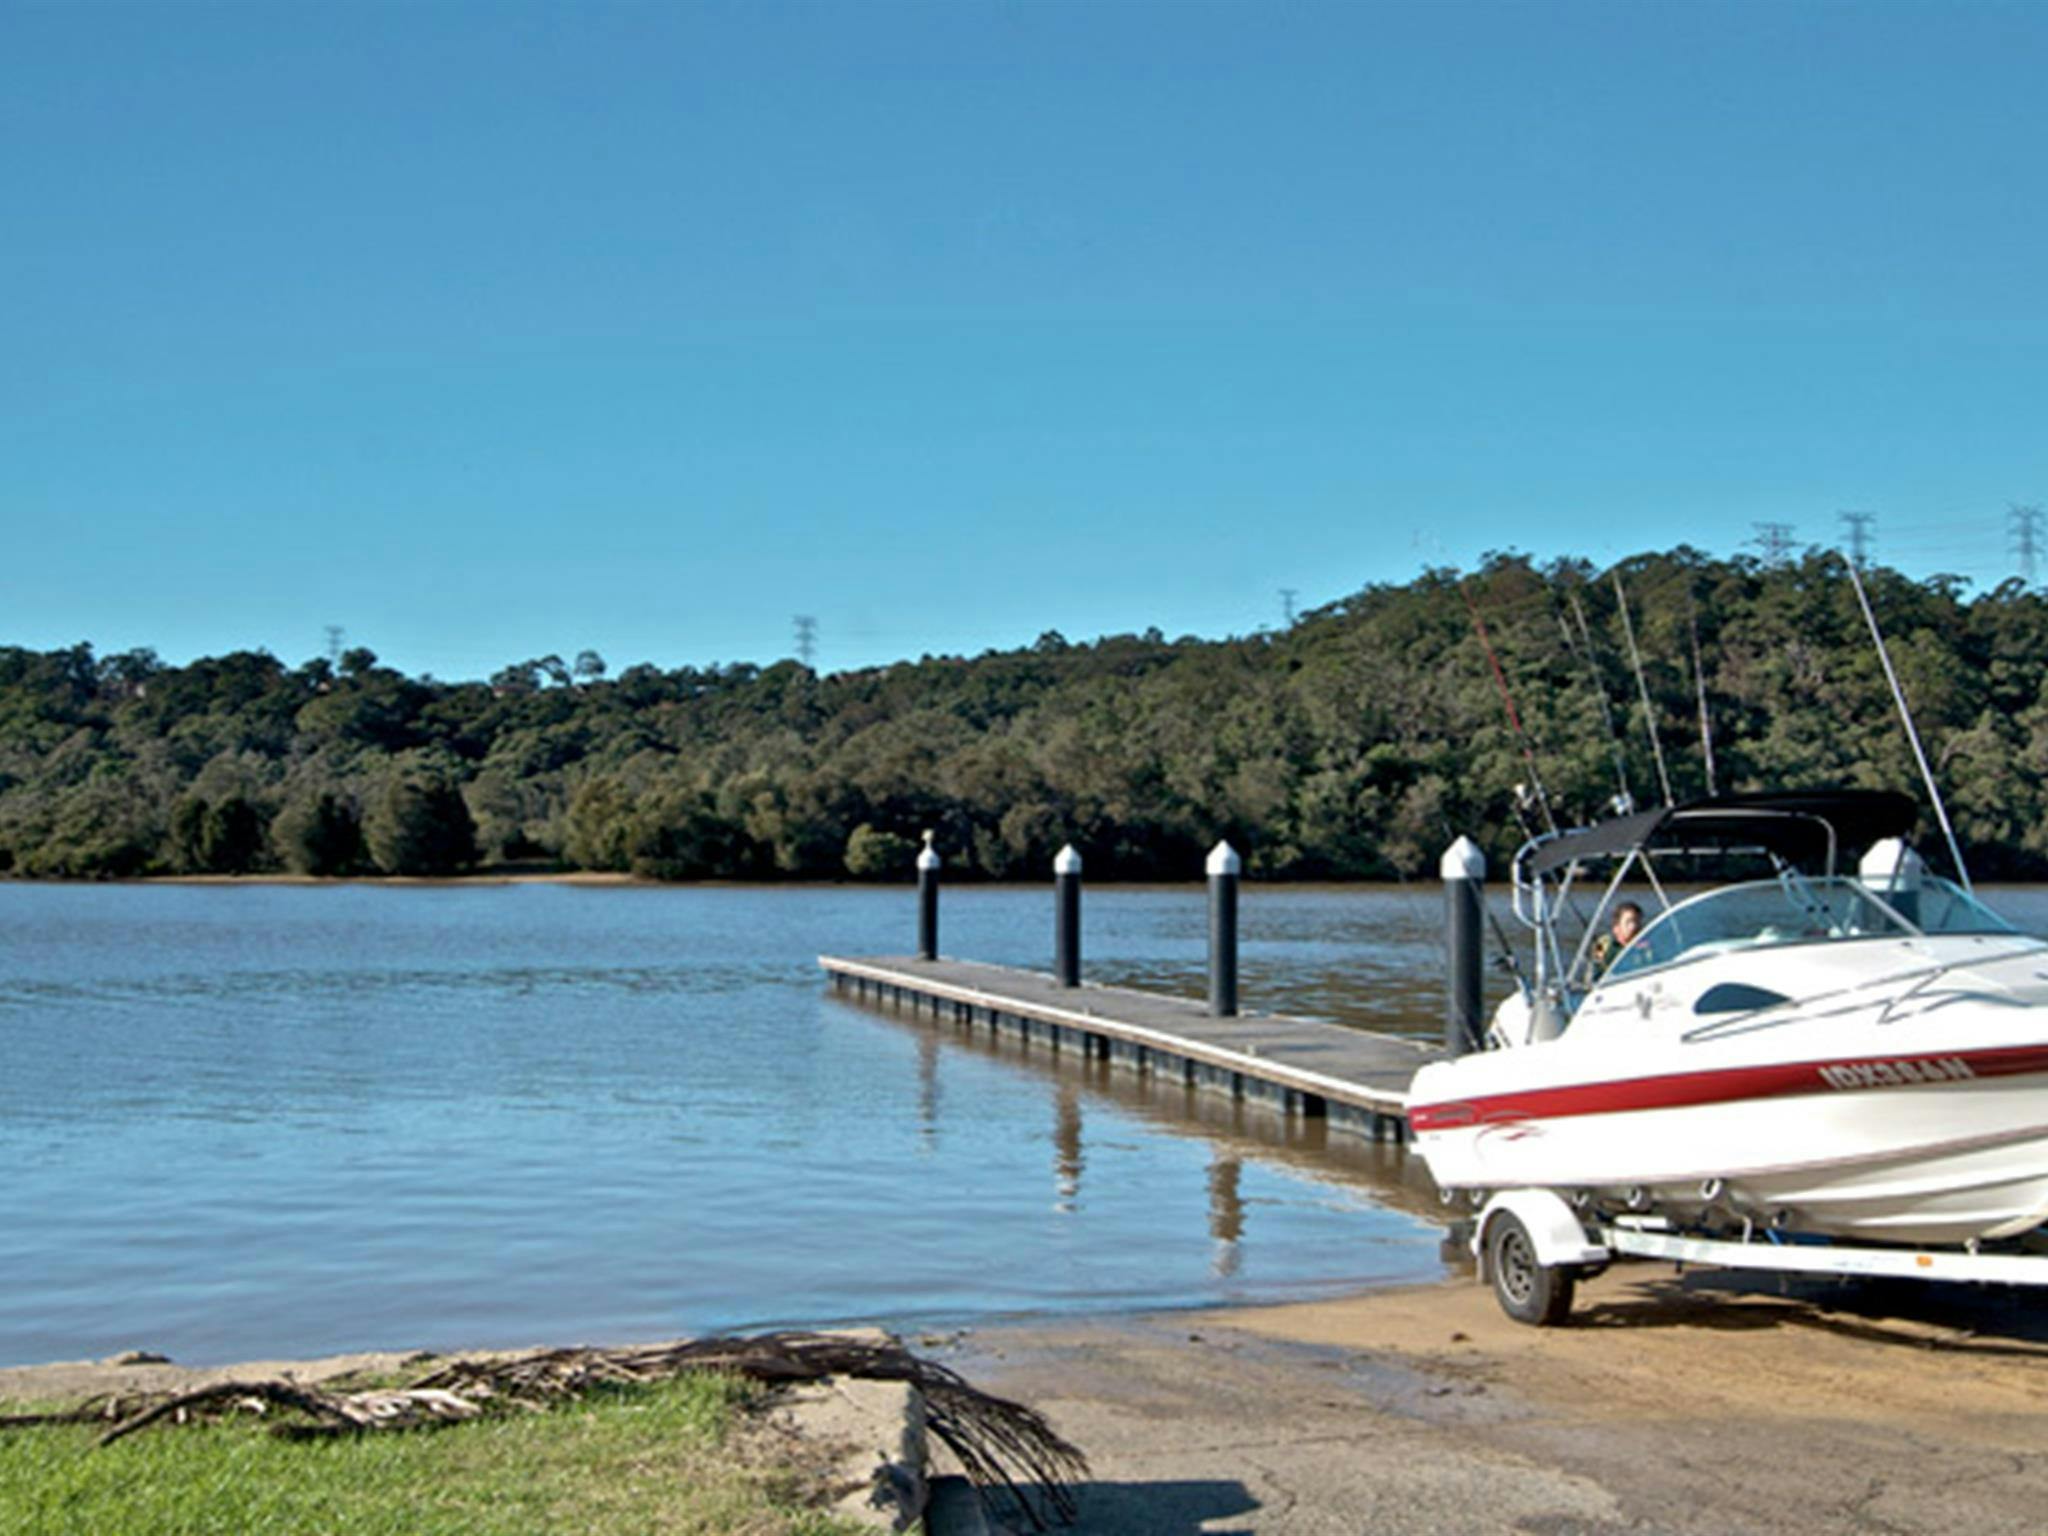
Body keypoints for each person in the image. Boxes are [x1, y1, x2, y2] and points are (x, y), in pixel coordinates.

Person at [1593, 900, 1645, 970]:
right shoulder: (1603, 945)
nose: (1634, 926)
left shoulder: (1647, 946)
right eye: (1628, 922)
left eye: (1637, 921)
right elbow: (1597, 974)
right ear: (1616, 927)